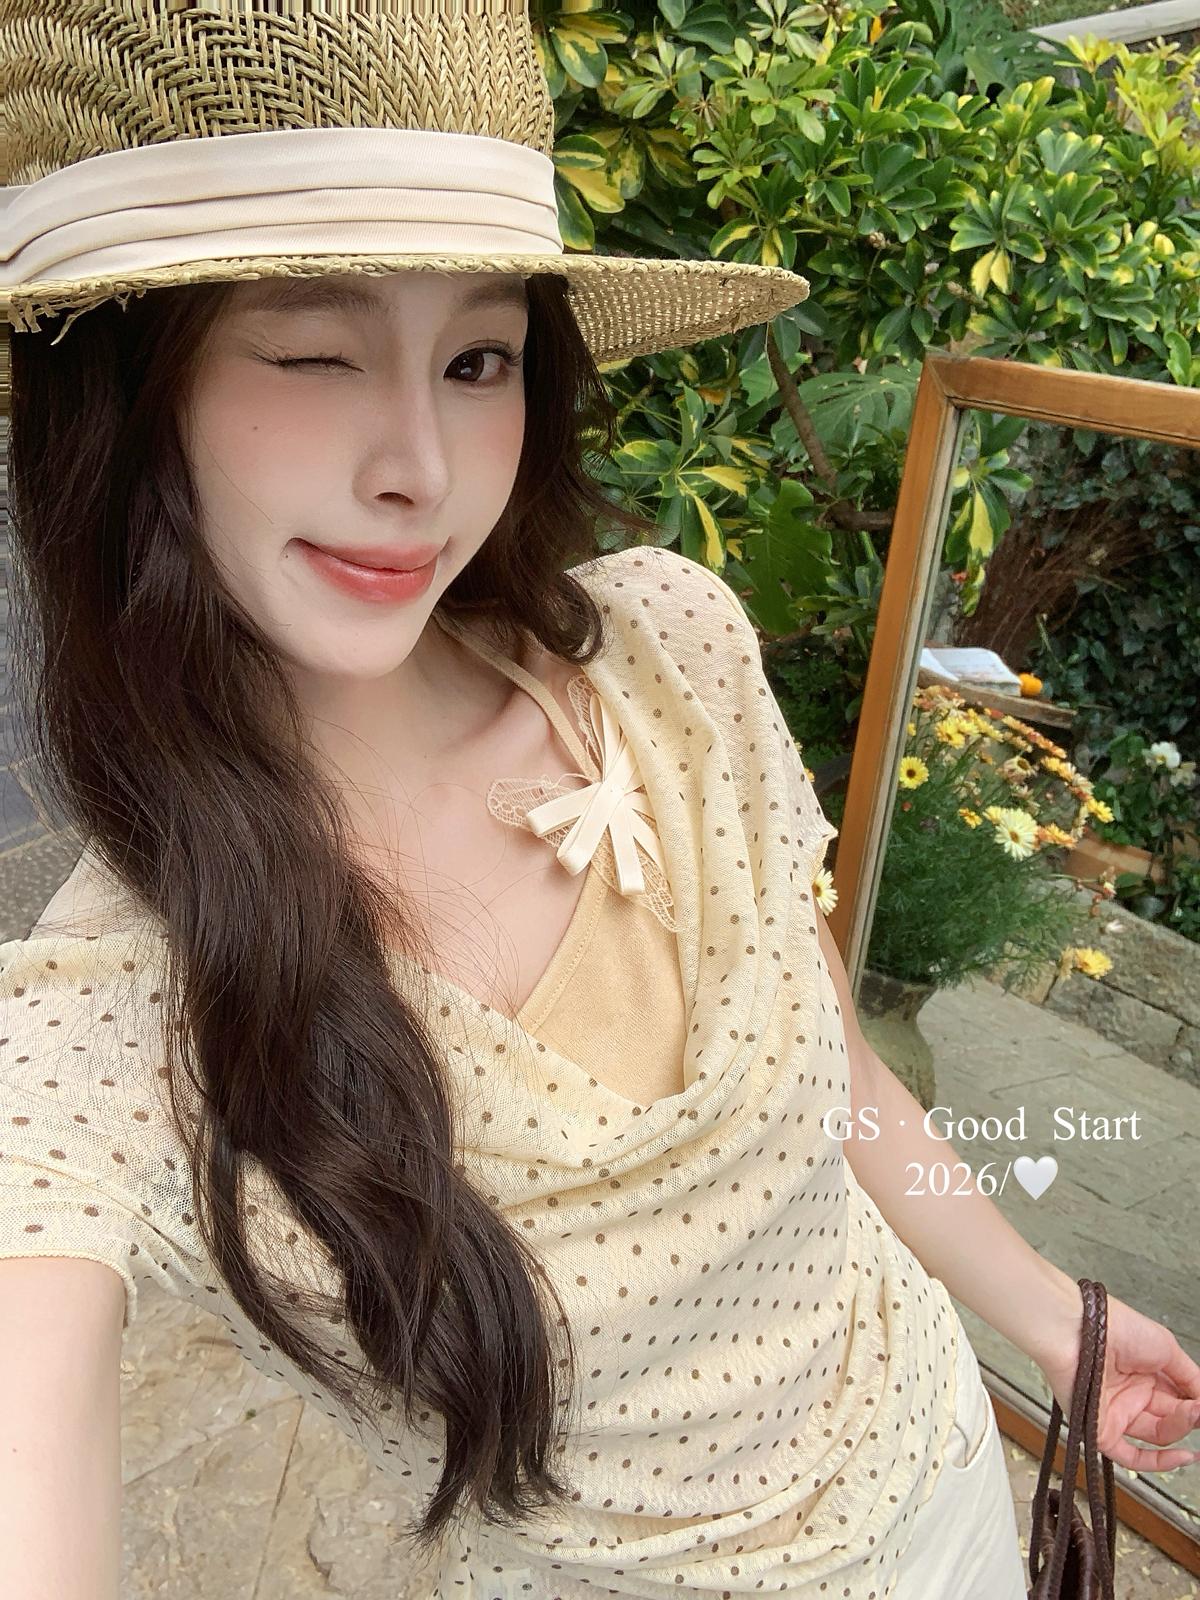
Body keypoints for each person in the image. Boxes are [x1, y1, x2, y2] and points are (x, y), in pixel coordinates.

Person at [1, 4, 1197, 1599]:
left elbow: (838, 1075)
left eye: (478, 360)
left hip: (938, 1475)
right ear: (124, 398)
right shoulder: (111, 1007)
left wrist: (1052, 1315)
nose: (422, 468)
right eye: (313, 353)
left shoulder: (670, 655)